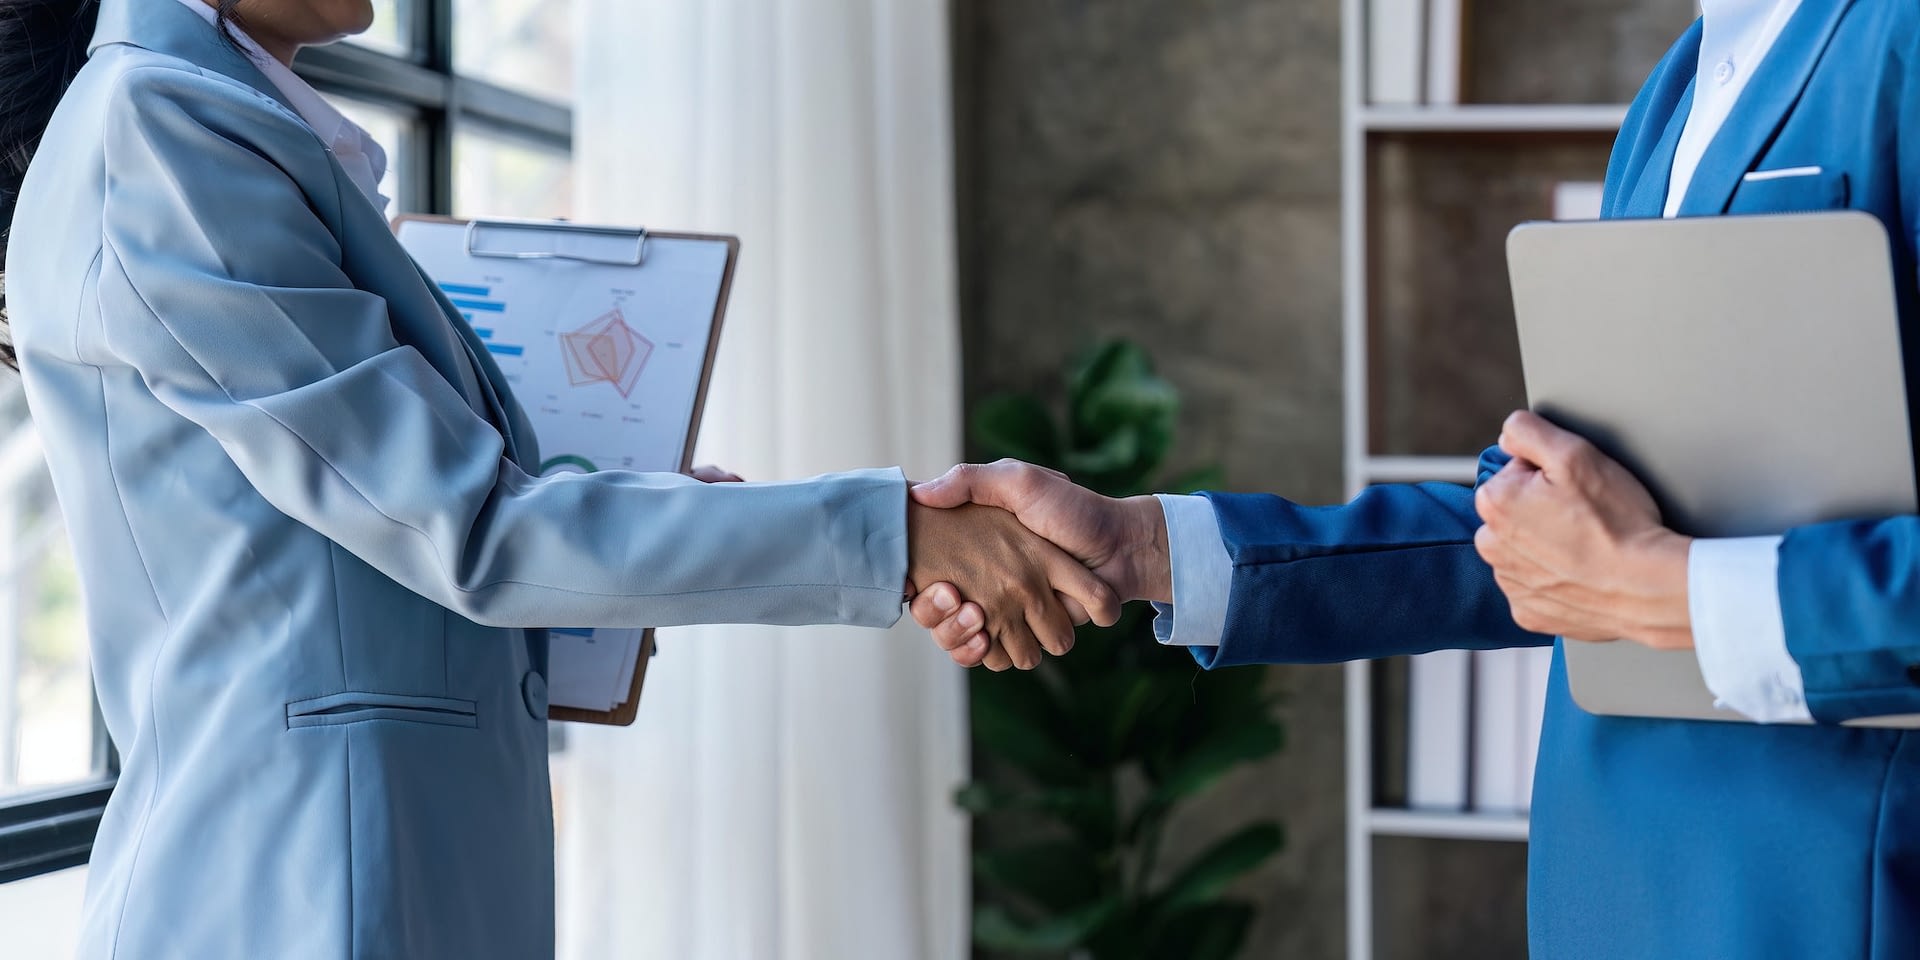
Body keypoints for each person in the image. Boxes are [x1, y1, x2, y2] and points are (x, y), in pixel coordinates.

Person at [0, 1, 1116, 956]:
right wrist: (904, 537)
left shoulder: (206, 121)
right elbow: (476, 532)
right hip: (297, 892)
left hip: (367, 869)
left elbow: (354, 545)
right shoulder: (158, 130)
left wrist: (670, 519)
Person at [914, 2, 1920, 956]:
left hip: (1830, 898)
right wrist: (1143, 549)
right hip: (1611, 892)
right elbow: (1534, 528)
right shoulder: (1682, 85)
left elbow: (1623, 566)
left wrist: (1673, 592)